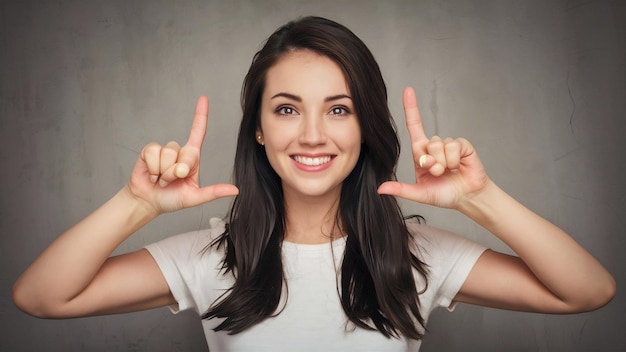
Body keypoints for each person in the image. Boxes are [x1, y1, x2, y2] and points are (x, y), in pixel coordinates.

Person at [12, 16, 615, 351]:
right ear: (257, 131)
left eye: (339, 109)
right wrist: (135, 204)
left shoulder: (414, 255)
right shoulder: (209, 257)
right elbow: (40, 298)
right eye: (285, 109)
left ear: (364, 127)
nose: (311, 135)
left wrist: (480, 199)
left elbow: (587, 291)